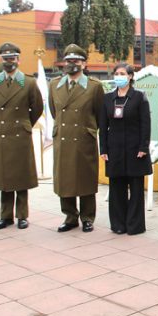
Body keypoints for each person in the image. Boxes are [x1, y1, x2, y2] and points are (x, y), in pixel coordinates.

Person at [0, 43, 44, 230]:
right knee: (4, 178)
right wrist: (2, 122)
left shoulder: (28, 82)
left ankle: (22, 215)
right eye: (5, 58)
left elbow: (37, 108)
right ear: (0, 59)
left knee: (21, 177)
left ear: (18, 59)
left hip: (20, 134)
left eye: (12, 58)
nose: (9, 62)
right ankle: (5, 215)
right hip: (2, 134)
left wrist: (24, 124)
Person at [49, 44, 104, 233]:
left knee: (85, 178)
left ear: (84, 63)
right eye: (69, 61)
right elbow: (53, 110)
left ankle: (87, 217)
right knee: (65, 179)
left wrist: (89, 130)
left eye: (76, 61)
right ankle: (70, 216)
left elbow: (99, 114)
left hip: (83, 138)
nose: (72, 64)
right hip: (63, 138)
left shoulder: (94, 86)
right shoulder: (54, 85)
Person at [99, 63, 152, 235]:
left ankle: (134, 225)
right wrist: (103, 149)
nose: (119, 76)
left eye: (122, 73)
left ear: (130, 76)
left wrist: (143, 147)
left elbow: (146, 124)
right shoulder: (108, 98)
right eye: (116, 73)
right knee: (116, 189)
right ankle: (118, 224)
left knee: (136, 189)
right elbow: (103, 125)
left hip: (135, 149)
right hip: (114, 150)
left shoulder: (139, 97)